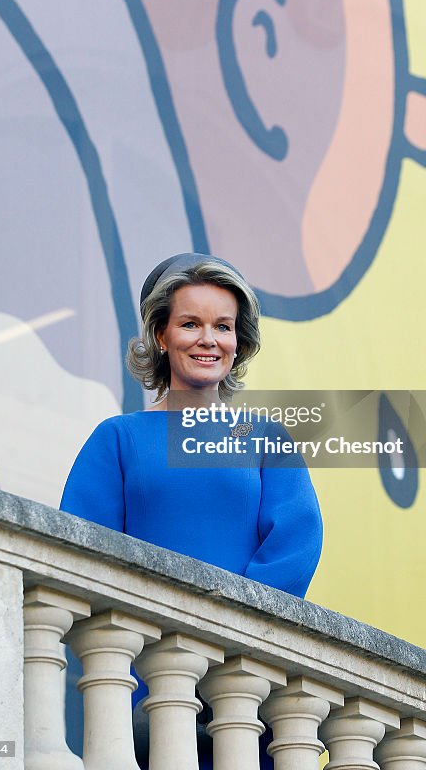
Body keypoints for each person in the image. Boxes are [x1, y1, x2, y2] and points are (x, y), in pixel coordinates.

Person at [60, 252, 323, 766]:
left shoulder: (264, 437)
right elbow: (81, 550)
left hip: (245, 683)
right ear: (160, 335)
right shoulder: (118, 439)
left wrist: (231, 634)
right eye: (190, 323)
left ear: (238, 340)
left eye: (223, 326)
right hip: (144, 678)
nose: (209, 339)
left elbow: (295, 543)